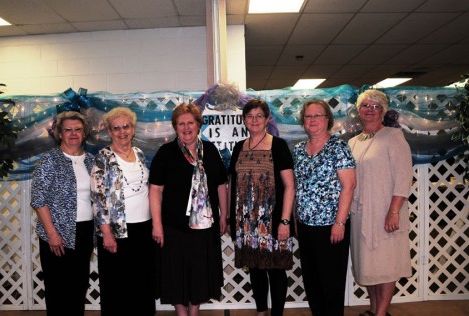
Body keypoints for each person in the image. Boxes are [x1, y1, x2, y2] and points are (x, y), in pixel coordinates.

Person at [149, 102, 228, 316]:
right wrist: (157, 224)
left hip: (205, 227)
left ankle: (194, 311)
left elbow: (221, 184)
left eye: (190, 122)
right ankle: (181, 312)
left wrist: (224, 215)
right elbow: (155, 189)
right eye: (181, 123)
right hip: (174, 227)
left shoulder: (210, 150)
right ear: (175, 127)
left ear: (198, 125)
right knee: (176, 272)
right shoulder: (166, 153)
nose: (186, 127)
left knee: (199, 272)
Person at [348, 89, 413, 316]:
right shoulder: (353, 141)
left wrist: (394, 210)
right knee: (370, 267)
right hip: (361, 214)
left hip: (386, 211)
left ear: (384, 111)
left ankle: (381, 312)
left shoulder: (393, 137)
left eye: (376, 106)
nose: (370, 110)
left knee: (386, 265)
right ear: (359, 110)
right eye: (366, 105)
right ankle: (375, 308)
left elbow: (404, 176)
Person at [228, 99, 295, 316]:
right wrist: (231, 219)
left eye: (259, 115)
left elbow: (289, 186)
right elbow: (232, 185)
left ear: (267, 119)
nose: (254, 120)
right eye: (250, 116)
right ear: (244, 120)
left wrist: (285, 221)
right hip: (246, 221)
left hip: (272, 220)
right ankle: (260, 311)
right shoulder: (239, 147)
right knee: (255, 268)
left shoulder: (278, 145)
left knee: (275, 270)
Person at [292, 100, 356, 316]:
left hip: (331, 226)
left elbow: (349, 186)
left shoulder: (338, 147)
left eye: (317, 116)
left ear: (327, 119)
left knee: (331, 283)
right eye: (308, 116)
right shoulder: (299, 149)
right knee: (312, 281)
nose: (312, 120)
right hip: (305, 225)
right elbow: (296, 187)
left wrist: (340, 223)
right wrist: (294, 222)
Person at [91, 107, 155, 316]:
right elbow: (98, 198)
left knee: (142, 281)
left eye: (125, 126)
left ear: (133, 129)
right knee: (116, 285)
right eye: (116, 128)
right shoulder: (103, 157)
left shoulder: (139, 154)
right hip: (116, 231)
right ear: (109, 132)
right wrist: (107, 233)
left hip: (143, 228)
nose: (122, 132)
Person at [30, 111, 95, 316]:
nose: (73, 133)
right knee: (58, 289)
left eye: (78, 129)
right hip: (57, 232)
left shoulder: (91, 161)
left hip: (85, 231)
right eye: (68, 130)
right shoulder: (50, 160)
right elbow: (39, 198)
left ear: (84, 133)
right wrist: (52, 233)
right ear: (59, 133)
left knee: (78, 286)